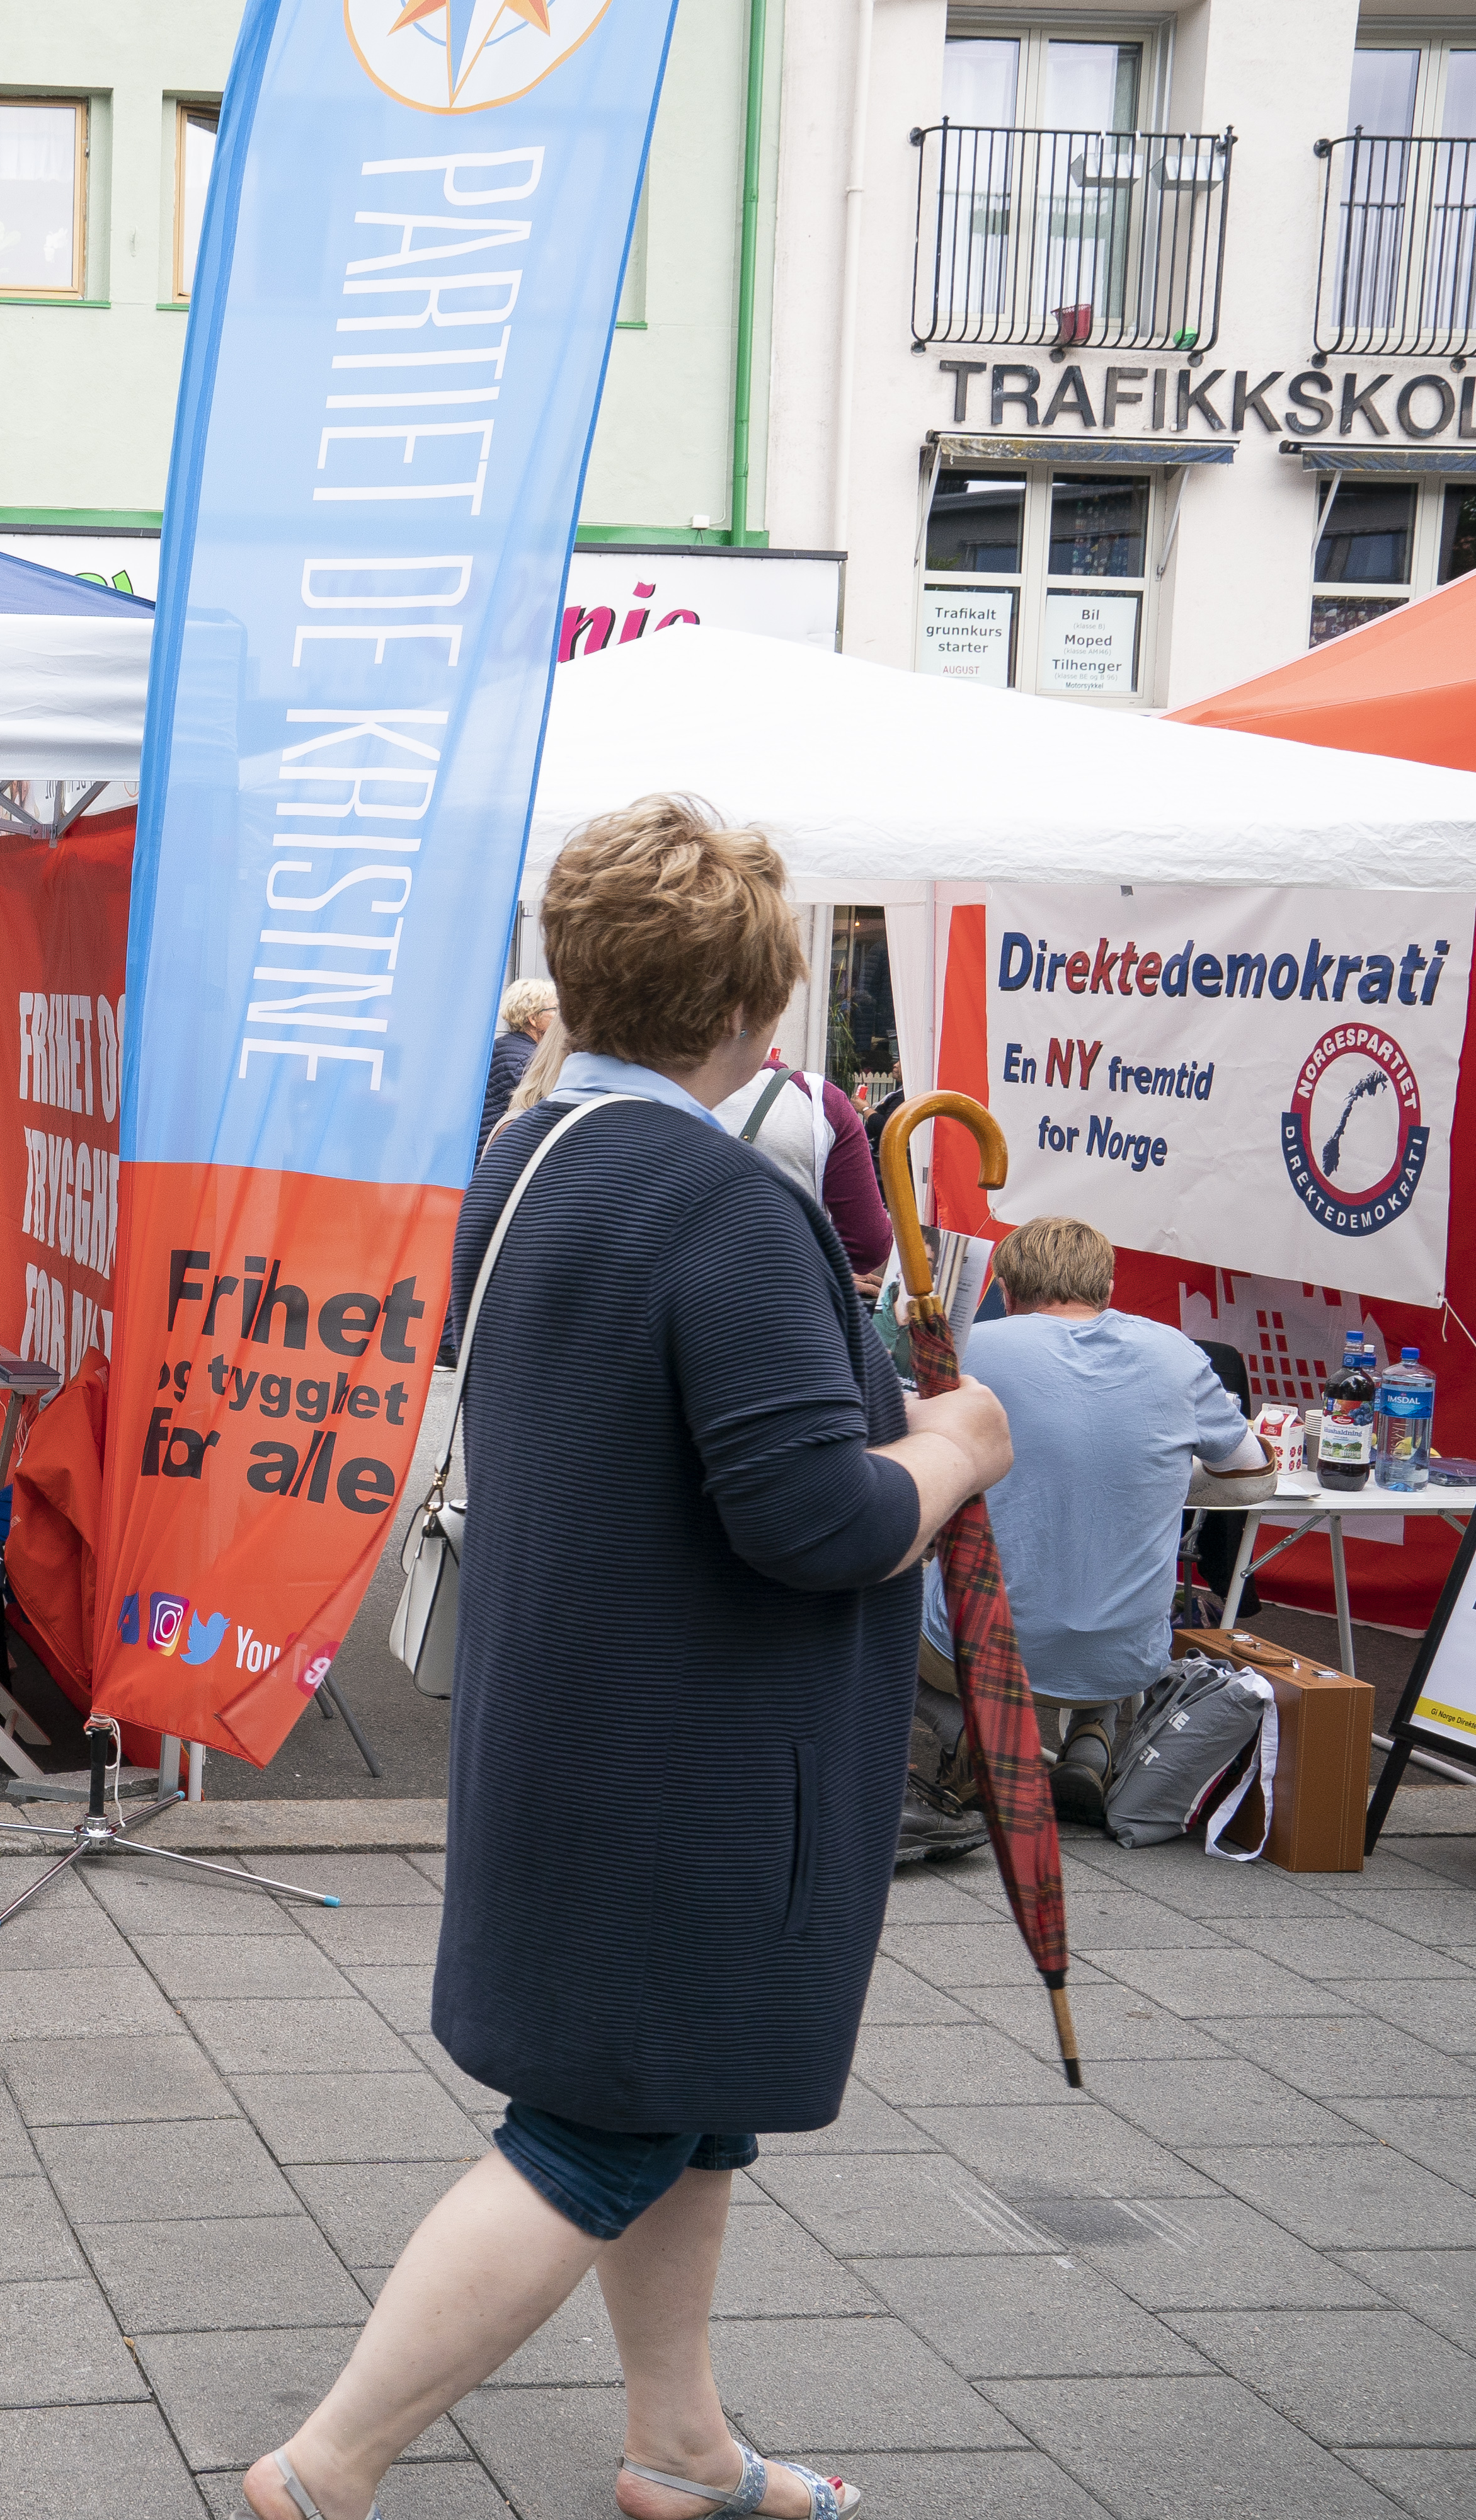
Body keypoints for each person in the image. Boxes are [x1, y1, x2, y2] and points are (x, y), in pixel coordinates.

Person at [239, 796, 1014, 2520]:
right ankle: (329, 2461)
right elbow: (816, 1519)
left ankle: (680, 2448)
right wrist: (960, 1443)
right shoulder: (719, 1202)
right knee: (606, 2128)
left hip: (577, 1720)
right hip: (698, 1762)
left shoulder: (529, 1156)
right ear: (755, 1014)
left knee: (686, 2104)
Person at [923, 1214, 1264, 1825]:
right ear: (1106, 1286)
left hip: (981, 1649)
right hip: (1125, 1658)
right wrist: (1163, 1478)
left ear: (1005, 1286)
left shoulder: (970, 1345)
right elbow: (1252, 1472)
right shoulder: (1176, 1354)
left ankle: (980, 1740)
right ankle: (1088, 1741)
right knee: (1102, 1563)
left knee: (878, 1588)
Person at [714, 1048, 897, 1288]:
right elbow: (867, 1244)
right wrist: (823, 1274)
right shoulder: (818, 1099)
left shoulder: (656, 1096)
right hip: (777, 1298)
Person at [482, 978, 553, 1150]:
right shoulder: (528, 1059)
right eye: (555, 1009)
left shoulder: (501, 1046)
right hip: (501, 1153)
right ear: (533, 1019)